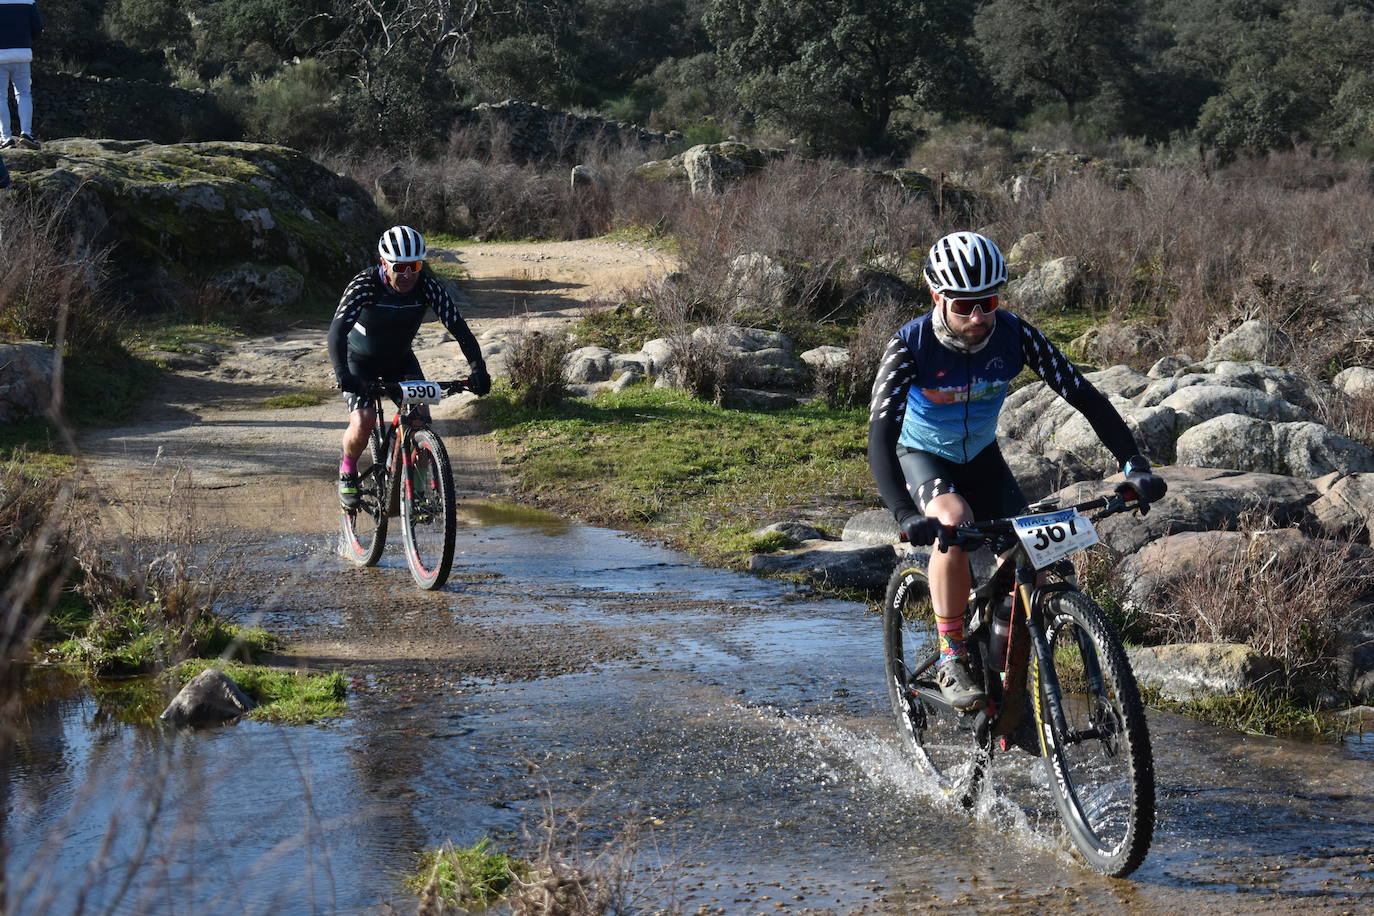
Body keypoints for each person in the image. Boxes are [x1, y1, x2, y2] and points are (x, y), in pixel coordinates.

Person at [868, 231, 1163, 711]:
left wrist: (1134, 465)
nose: (979, 317)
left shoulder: (1015, 334)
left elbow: (1083, 395)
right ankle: (952, 654)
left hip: (982, 457)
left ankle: (1010, 688)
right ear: (935, 295)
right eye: (964, 306)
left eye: (987, 302)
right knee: (954, 519)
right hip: (921, 454)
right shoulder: (909, 347)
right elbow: (879, 435)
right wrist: (904, 513)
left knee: (1036, 564)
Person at [329, 225, 491, 509]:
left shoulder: (427, 286)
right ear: (383, 263)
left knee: (420, 420)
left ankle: (416, 491)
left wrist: (478, 369)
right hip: (359, 362)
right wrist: (343, 374)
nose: (408, 275)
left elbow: (459, 328)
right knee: (364, 420)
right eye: (400, 267)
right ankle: (348, 469)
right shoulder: (364, 285)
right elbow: (337, 332)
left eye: (415, 266)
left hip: (399, 360)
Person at [0, 0, 43, 150]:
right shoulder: (28, 1)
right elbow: (37, 27)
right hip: (22, 53)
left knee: (0, 97)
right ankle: (26, 133)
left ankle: (6, 138)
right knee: (24, 94)